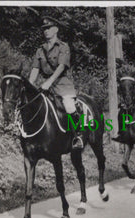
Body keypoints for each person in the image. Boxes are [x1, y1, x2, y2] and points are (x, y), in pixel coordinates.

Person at [29, 16, 83, 149]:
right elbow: (35, 69)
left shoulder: (63, 47)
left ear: (56, 29)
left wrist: (49, 81)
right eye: (44, 29)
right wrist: (30, 85)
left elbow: (61, 67)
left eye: (48, 28)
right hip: (44, 85)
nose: (46, 31)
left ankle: (77, 136)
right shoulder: (40, 50)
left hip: (62, 84)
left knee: (69, 106)